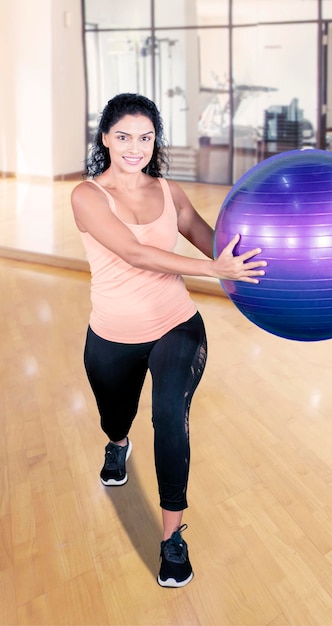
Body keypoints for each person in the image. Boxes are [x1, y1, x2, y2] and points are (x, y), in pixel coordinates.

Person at [71, 92, 266, 588]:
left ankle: (171, 538)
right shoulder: (88, 196)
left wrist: (270, 253)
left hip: (177, 323)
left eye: (145, 137)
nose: (135, 147)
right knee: (115, 416)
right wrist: (211, 269)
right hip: (113, 332)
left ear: (156, 140)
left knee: (169, 417)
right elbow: (134, 253)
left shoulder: (169, 192)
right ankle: (118, 444)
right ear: (105, 139)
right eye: (123, 137)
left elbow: (215, 240)